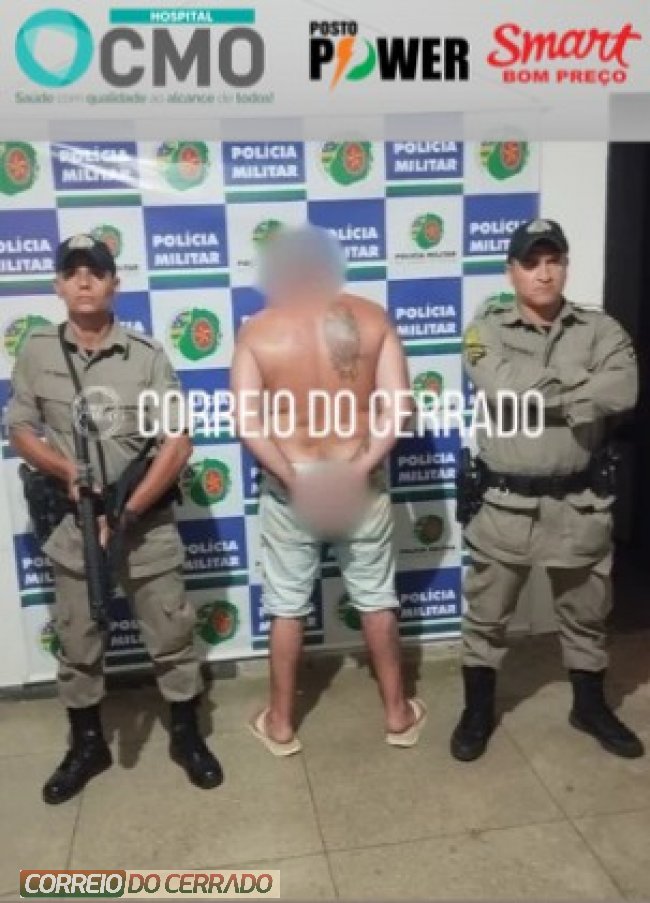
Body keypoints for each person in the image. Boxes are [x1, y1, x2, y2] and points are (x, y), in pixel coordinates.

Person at [7, 233, 223, 803]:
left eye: (96, 272)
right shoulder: (36, 352)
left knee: (172, 634)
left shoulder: (146, 355)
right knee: (78, 642)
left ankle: (186, 736)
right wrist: (66, 472)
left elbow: (177, 441)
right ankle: (87, 745)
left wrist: (126, 512)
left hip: (143, 523)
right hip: (73, 524)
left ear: (113, 284)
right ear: (57, 285)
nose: (84, 281)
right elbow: (20, 428)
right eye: (72, 272)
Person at [452, 217, 644, 762]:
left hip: (580, 504)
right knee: (486, 619)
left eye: (553, 261)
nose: (544, 272)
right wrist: (582, 389)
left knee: (586, 615)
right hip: (505, 504)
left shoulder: (600, 329)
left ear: (565, 266)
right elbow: (500, 388)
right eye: (531, 262)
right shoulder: (484, 329)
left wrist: (541, 392)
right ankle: (477, 710)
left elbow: (623, 390)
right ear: (511, 270)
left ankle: (589, 706)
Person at [230, 224, 427, 755]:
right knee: (377, 599)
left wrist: (294, 479)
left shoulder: (259, 332)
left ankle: (280, 724)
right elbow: (399, 408)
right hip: (356, 476)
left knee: (287, 606)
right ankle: (397, 716)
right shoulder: (373, 319)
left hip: (291, 480)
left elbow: (248, 424)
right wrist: (360, 468)